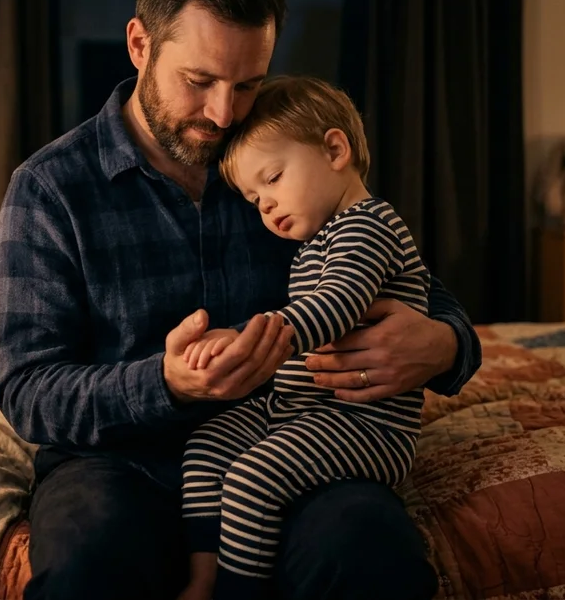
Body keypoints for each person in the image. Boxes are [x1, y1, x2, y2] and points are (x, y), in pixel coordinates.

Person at [0, 0, 481, 600]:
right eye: (199, 81)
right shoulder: (50, 190)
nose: (224, 113)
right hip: (117, 465)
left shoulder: (282, 160)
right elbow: (27, 393)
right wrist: (165, 384)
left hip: (292, 436)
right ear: (140, 45)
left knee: (369, 552)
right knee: (88, 568)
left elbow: (406, 275)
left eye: (247, 83)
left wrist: (445, 343)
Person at [177, 76, 431, 600]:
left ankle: (236, 591)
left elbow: (334, 307)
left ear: (335, 149)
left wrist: (251, 337)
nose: (265, 206)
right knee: (205, 446)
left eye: (272, 179)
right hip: (303, 407)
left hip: (367, 424)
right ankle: (201, 575)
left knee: (252, 479)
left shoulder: (369, 226)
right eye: (254, 198)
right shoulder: (321, 237)